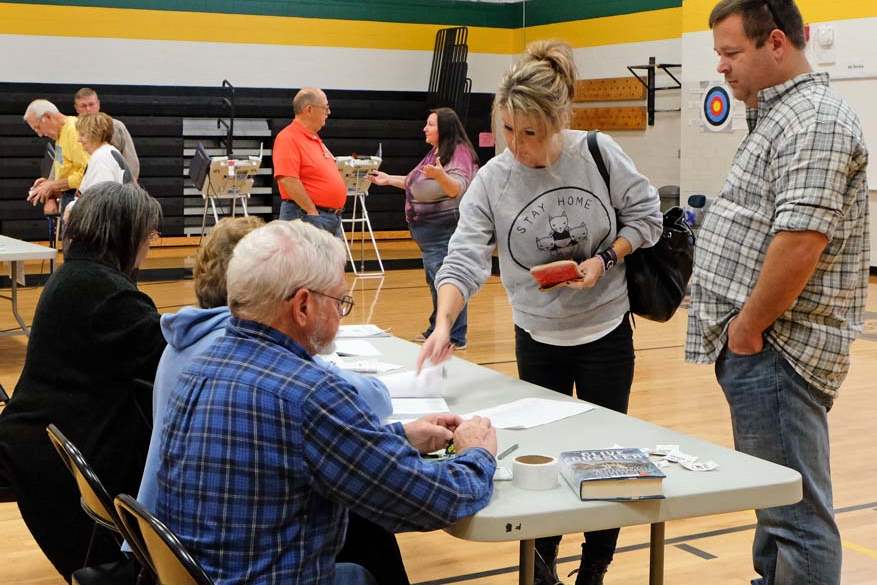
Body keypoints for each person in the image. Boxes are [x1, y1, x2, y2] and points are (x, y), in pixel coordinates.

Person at [417, 40, 662, 585]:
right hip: (538, 337)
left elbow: (647, 220)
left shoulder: (597, 152)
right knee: (544, 454)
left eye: (531, 132)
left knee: (608, 459)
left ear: (559, 122)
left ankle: (595, 565)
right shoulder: (492, 180)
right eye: (508, 130)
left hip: (604, 333)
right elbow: (463, 258)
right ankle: (543, 559)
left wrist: (604, 259)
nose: (518, 145)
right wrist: (442, 323)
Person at [155, 220, 497, 585]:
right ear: (303, 306)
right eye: (340, 302)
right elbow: (430, 500)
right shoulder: (309, 393)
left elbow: (297, 448)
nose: (340, 314)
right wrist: (476, 454)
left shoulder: (198, 364)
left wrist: (399, 435)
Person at [687, 2, 869, 585]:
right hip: (763, 349)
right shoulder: (780, 114)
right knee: (775, 507)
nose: (721, 66)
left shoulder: (813, 118)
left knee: (795, 517)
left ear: (777, 45)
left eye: (731, 52)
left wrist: (747, 328)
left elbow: (800, 241)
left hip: (776, 350)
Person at [0, 182, 165, 581]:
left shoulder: (77, 276)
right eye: (148, 235)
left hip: (39, 446)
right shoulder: (110, 295)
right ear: (124, 234)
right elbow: (170, 361)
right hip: (58, 470)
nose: (151, 244)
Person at [369, 108, 478, 350]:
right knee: (436, 280)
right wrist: (388, 179)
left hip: (445, 231)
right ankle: (438, 328)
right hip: (430, 235)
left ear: (445, 129)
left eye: (430, 124)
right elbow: (414, 182)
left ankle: (454, 336)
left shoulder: (459, 154)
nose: (424, 128)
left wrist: (440, 176)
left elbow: (456, 189)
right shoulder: (435, 153)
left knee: (448, 280)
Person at [273, 87, 348, 237]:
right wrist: (311, 211)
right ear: (309, 109)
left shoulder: (314, 138)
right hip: (307, 217)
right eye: (325, 108)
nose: (328, 113)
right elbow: (288, 179)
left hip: (326, 217)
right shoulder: (288, 137)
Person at [62, 112, 134, 221]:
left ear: (95, 134)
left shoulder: (102, 157)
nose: (78, 139)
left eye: (82, 134)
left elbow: (99, 200)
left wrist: (72, 207)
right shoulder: (106, 153)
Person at [23, 99, 89, 216]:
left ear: (48, 116)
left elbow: (86, 174)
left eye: (38, 127)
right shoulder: (60, 135)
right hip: (69, 199)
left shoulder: (73, 131)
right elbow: (64, 167)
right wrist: (50, 183)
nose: (40, 134)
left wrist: (53, 185)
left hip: (81, 201)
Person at [74, 87, 140, 181]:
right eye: (83, 106)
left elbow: (131, 161)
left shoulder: (115, 127)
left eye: (91, 104)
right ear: (76, 108)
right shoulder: (71, 129)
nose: (88, 109)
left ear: (98, 104)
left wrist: (129, 187)